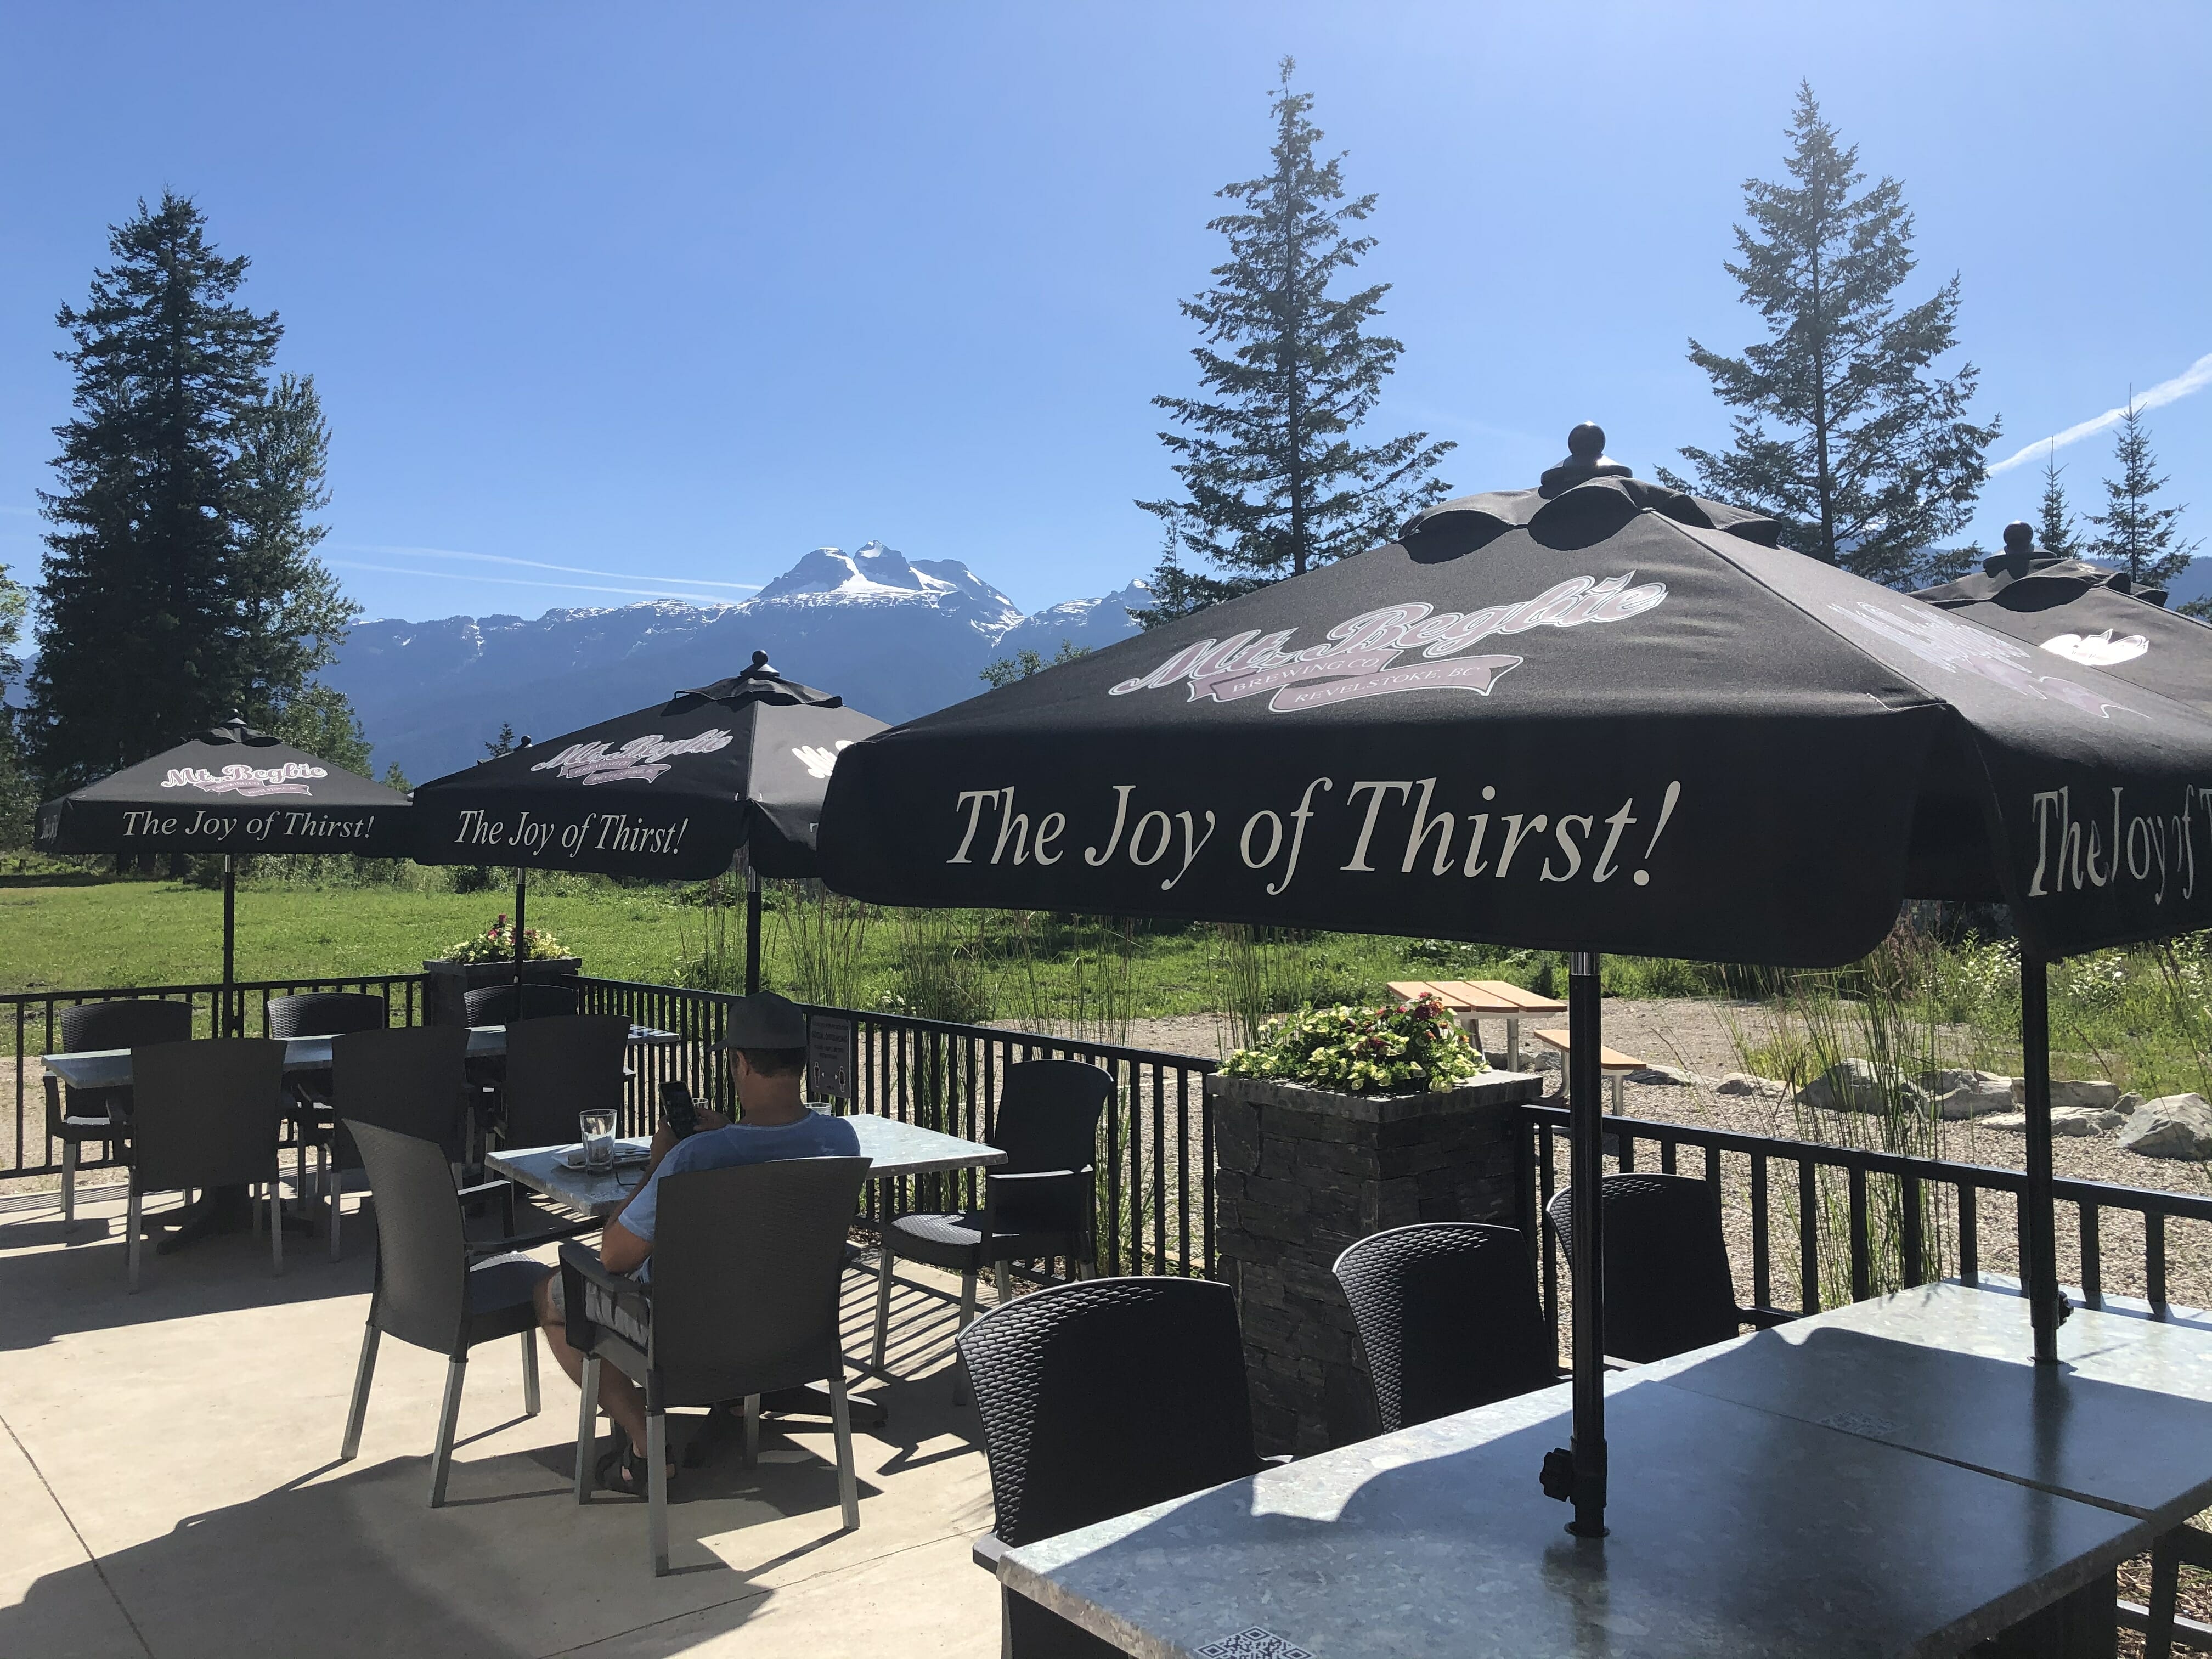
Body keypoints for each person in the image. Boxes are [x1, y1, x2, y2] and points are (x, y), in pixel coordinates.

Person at [534, 991, 861, 1496]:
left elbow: (615, 1256)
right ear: (802, 1060)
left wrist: (656, 1164)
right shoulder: (841, 1141)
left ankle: (646, 1446)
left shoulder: (694, 1158)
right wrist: (732, 1132)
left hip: (687, 1337)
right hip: (793, 1329)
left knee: (552, 1295)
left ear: (741, 1062)